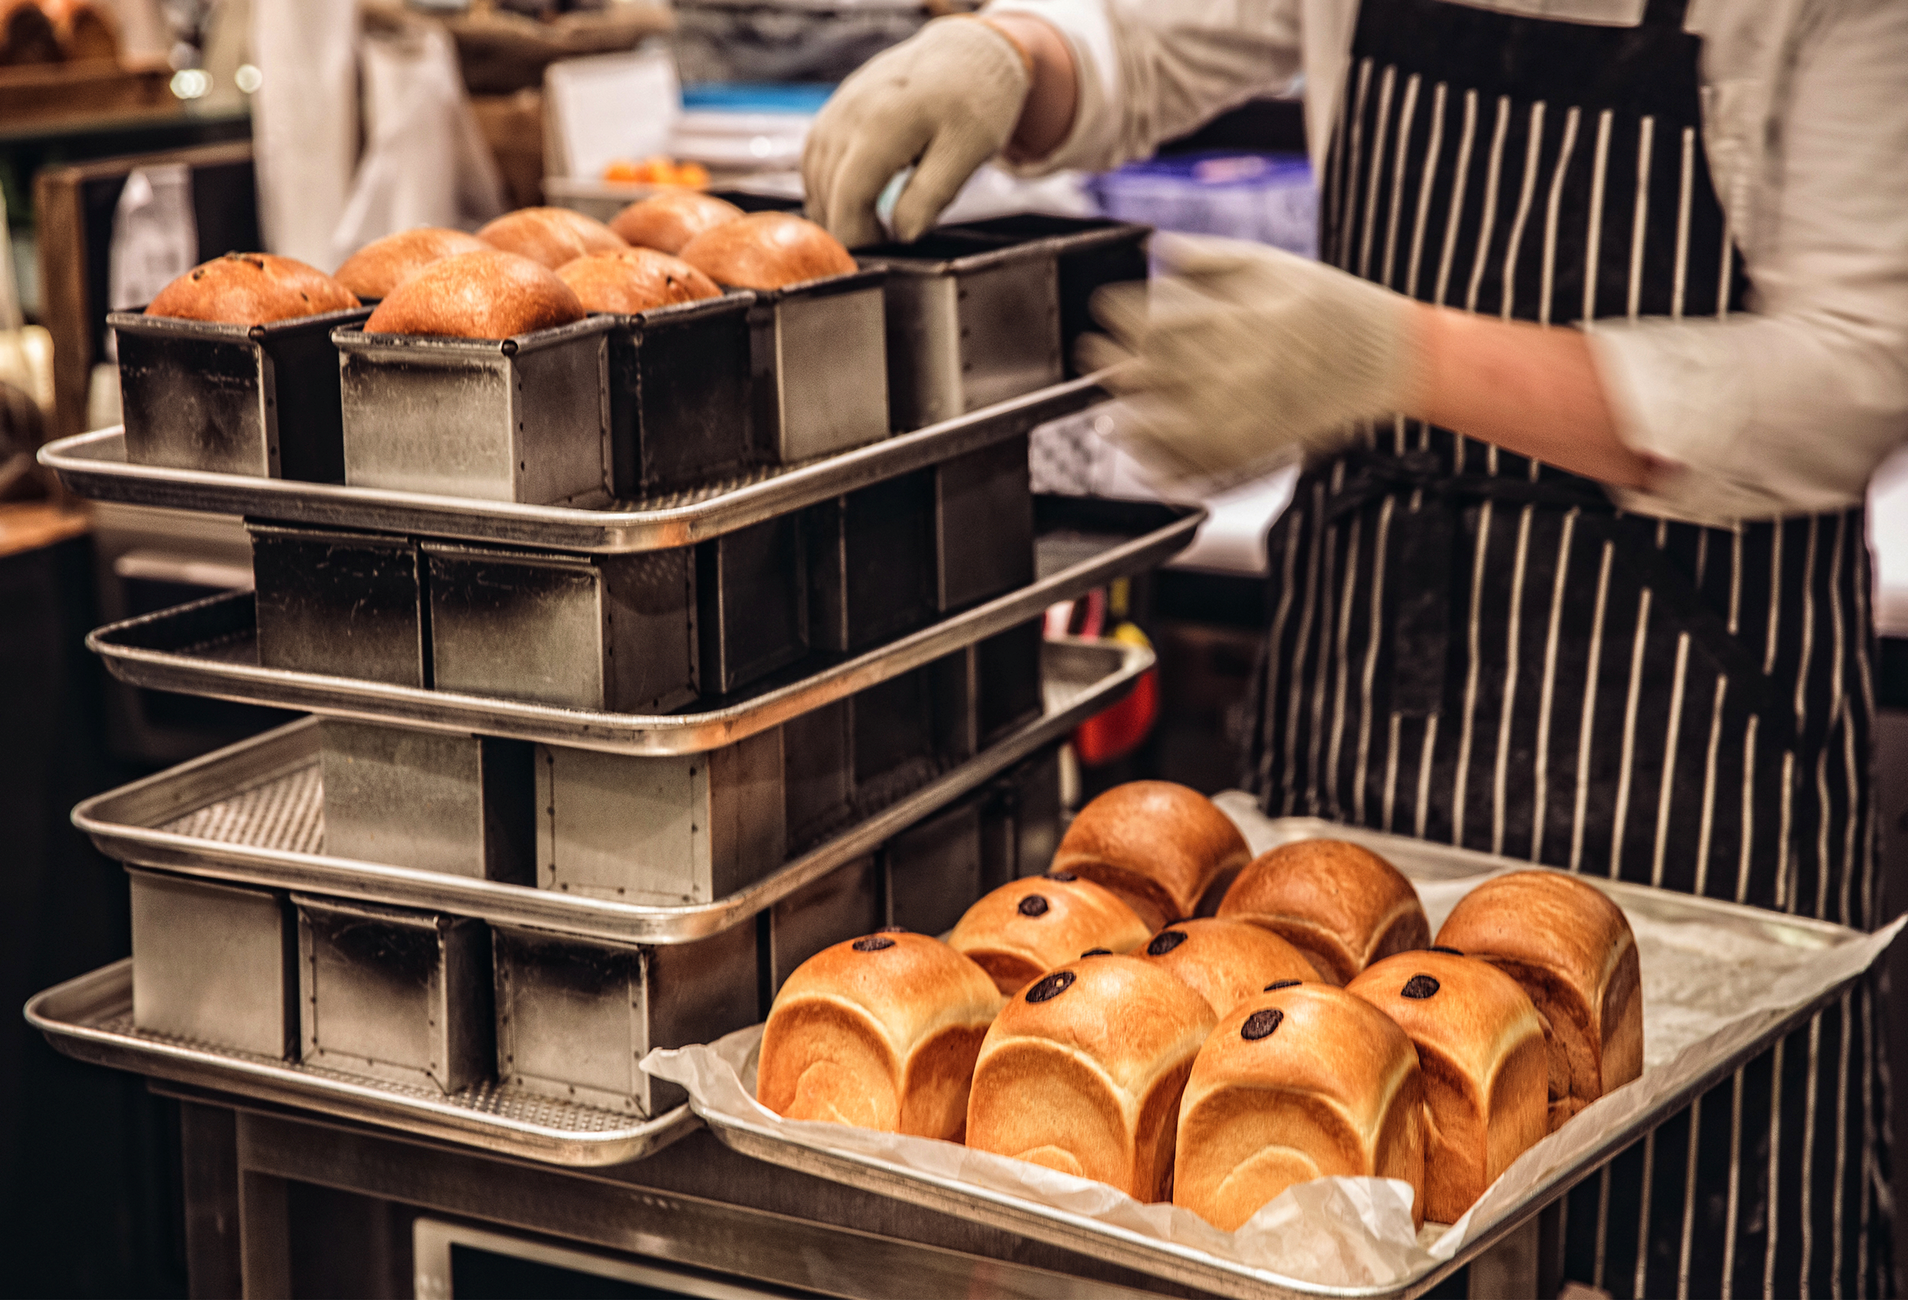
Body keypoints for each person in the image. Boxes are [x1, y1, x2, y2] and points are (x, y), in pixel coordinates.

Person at [801, 0, 1908, 1295]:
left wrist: (1407, 356)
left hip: (1681, 719)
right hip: (1371, 673)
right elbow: (1159, 34)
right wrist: (1022, 56)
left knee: (1678, 1223)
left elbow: (1853, 372)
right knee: (1299, 1170)